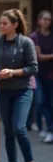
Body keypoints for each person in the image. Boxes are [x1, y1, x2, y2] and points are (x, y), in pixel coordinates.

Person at [0, 9, 38, 162]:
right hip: (4, 91)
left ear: (15, 25)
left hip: (23, 90)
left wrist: (13, 72)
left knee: (19, 128)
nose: (1, 26)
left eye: (5, 23)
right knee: (8, 131)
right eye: (0, 23)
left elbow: (33, 68)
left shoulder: (26, 43)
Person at [30, 10, 53, 143]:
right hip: (37, 74)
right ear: (39, 20)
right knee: (40, 101)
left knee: (50, 103)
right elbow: (39, 57)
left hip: (50, 74)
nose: (47, 22)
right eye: (45, 19)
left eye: (49, 20)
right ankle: (42, 127)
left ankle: (49, 129)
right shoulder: (35, 37)